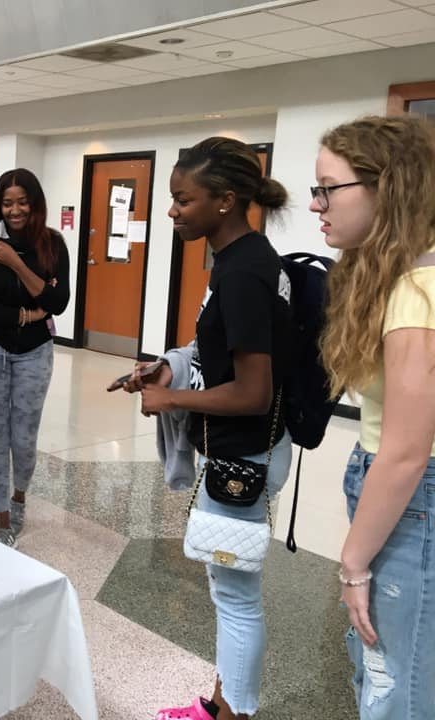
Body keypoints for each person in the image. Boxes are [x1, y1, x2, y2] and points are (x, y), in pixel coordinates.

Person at [124, 138, 293, 720]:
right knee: (230, 592)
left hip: (243, 459)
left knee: (236, 600)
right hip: (240, 453)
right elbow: (219, 353)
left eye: (181, 199)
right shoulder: (240, 259)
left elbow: (253, 391)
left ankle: (230, 715)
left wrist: (169, 396)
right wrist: (167, 367)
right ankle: (223, 703)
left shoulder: (244, 272)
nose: (171, 210)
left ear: (224, 200)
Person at [313, 116, 435, 719]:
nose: (317, 204)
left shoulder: (418, 291)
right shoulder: (408, 278)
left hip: (415, 500)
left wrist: (354, 564)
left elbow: (409, 451)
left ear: (384, 187)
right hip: (407, 496)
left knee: (396, 689)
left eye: (328, 188)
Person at [0, 168, 70, 547]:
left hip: (34, 352)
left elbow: (59, 302)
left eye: (22, 201)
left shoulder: (53, 246)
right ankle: (2, 517)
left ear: (35, 203)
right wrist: (30, 313)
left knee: (25, 436)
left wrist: (15, 263)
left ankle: (20, 495)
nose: (15, 210)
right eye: (7, 203)